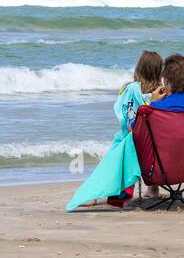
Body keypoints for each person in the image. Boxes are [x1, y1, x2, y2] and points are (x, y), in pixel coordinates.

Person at [66, 50, 164, 210]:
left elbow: (126, 121)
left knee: (119, 147)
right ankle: (153, 189)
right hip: (157, 149)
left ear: (139, 69)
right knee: (135, 140)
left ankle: (94, 196)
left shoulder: (130, 90)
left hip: (134, 145)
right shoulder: (163, 93)